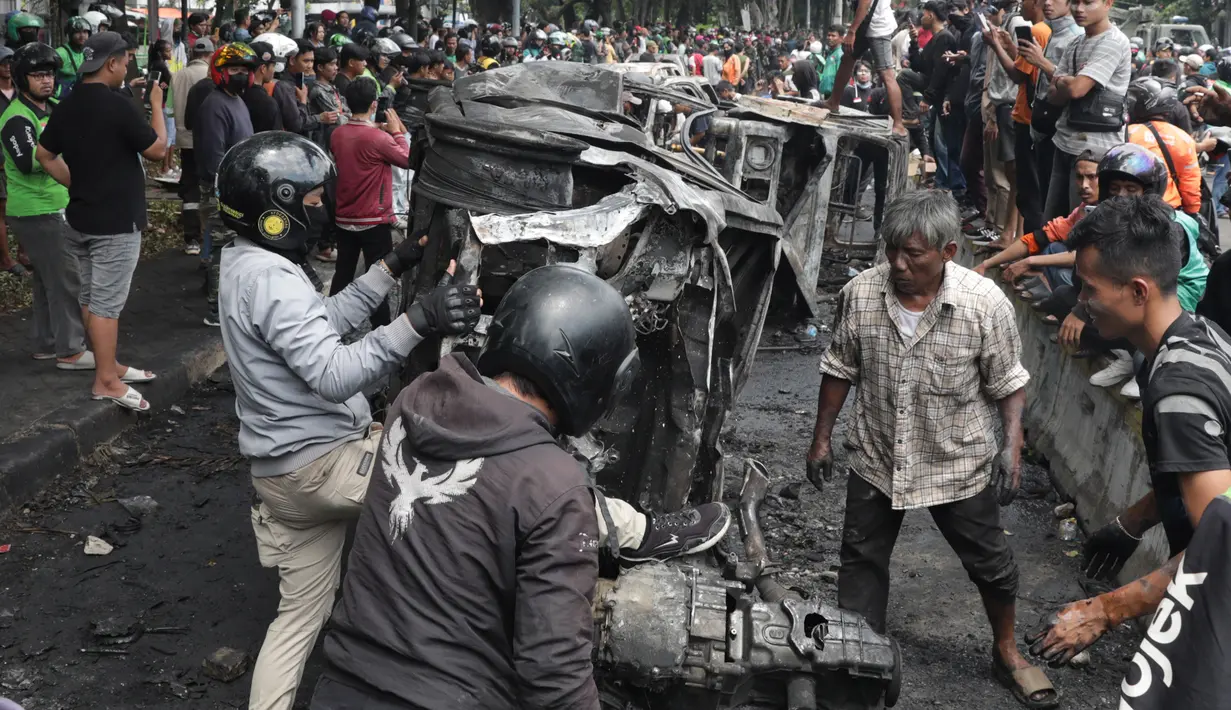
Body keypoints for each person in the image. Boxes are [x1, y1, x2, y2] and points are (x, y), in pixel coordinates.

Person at [311, 262, 731, 709]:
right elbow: (555, 679)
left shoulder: (413, 403)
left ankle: (638, 531)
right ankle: (641, 534)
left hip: (342, 684)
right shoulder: (552, 484)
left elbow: (505, 486)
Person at [807, 189, 1058, 709]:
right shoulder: (859, 295)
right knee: (861, 560)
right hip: (878, 454)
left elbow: (1009, 382)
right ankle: (862, 662)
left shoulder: (985, 304)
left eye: (913, 254)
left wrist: (1012, 443)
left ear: (948, 251)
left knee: (990, 563)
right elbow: (839, 369)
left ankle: (1007, 650)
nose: (898, 265)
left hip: (955, 460)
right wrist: (822, 438)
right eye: (891, 250)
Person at [1022, 196, 1231, 679]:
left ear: (1138, 291)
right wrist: (1133, 521)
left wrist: (1104, 611)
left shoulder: (1179, 391)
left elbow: (1221, 541)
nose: (1082, 304)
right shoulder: (1203, 336)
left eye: (1089, 290)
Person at [37, 31, 162, 412]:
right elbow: (158, 150)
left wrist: (75, 181)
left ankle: (110, 366)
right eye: (125, 62)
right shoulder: (119, 105)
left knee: (92, 298)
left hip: (80, 218)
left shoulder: (67, 104)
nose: (126, 69)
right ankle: (105, 381)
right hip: (115, 223)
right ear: (111, 63)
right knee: (107, 304)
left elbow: (44, 153)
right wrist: (156, 103)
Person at [2, 43, 87, 368]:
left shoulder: (53, 107)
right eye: (38, 76)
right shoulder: (16, 118)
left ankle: (47, 342)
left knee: (46, 280)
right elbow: (27, 161)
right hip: (37, 210)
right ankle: (71, 350)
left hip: (53, 206)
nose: (46, 81)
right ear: (23, 79)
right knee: (67, 280)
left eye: (49, 74)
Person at [328, 78, 410, 329]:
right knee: (380, 278)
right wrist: (397, 131)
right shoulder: (378, 139)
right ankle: (381, 330)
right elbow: (408, 159)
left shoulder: (337, 134)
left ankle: (328, 323)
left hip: (344, 218)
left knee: (342, 274)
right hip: (373, 221)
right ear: (374, 104)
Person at [1042, 0, 1132, 221]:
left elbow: (1075, 89)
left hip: (1094, 153)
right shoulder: (1076, 43)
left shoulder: (1113, 42)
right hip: (1064, 142)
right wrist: (1069, 84)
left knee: (1082, 229)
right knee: (1053, 223)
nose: (1079, 9)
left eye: (1088, 2)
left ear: (1108, 3)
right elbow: (1053, 96)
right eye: (1075, 2)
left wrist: (1066, 82)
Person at [195, 42, 257, 327]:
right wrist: (225, 190)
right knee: (222, 249)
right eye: (234, 69)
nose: (241, 74)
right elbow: (213, 158)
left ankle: (228, 303)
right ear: (220, 72)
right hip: (221, 189)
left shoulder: (237, 100)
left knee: (233, 248)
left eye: (245, 69)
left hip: (238, 185)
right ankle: (214, 310)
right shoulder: (215, 105)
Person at [825, 0, 907, 135]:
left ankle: (899, 124)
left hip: (877, 26)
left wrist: (852, 31)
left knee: (887, 74)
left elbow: (865, 2)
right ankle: (833, 102)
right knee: (847, 58)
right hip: (865, 23)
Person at [172, 36, 212, 256]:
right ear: (210, 54)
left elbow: (169, 108)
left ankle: (191, 240)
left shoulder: (177, 76)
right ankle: (206, 235)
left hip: (184, 139)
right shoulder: (208, 77)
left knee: (189, 188)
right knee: (205, 186)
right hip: (205, 140)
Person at [273, 39, 338, 139]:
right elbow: (296, 125)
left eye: (312, 61)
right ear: (292, 60)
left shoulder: (300, 81)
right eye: (306, 61)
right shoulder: (284, 86)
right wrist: (319, 117)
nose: (310, 65)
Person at [243, 41, 281, 133]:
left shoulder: (235, 93)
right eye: (273, 66)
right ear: (263, 68)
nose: (274, 70)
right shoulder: (268, 103)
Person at [55, 16, 90, 97]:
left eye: (85, 32)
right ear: (69, 34)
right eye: (77, 32)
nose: (82, 36)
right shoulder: (60, 53)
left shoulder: (87, 51)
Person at [817, 25, 845, 98]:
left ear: (841, 38)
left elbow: (842, 77)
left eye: (833, 36)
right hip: (827, 94)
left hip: (835, 95)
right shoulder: (830, 53)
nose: (830, 38)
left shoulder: (840, 54)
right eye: (829, 35)